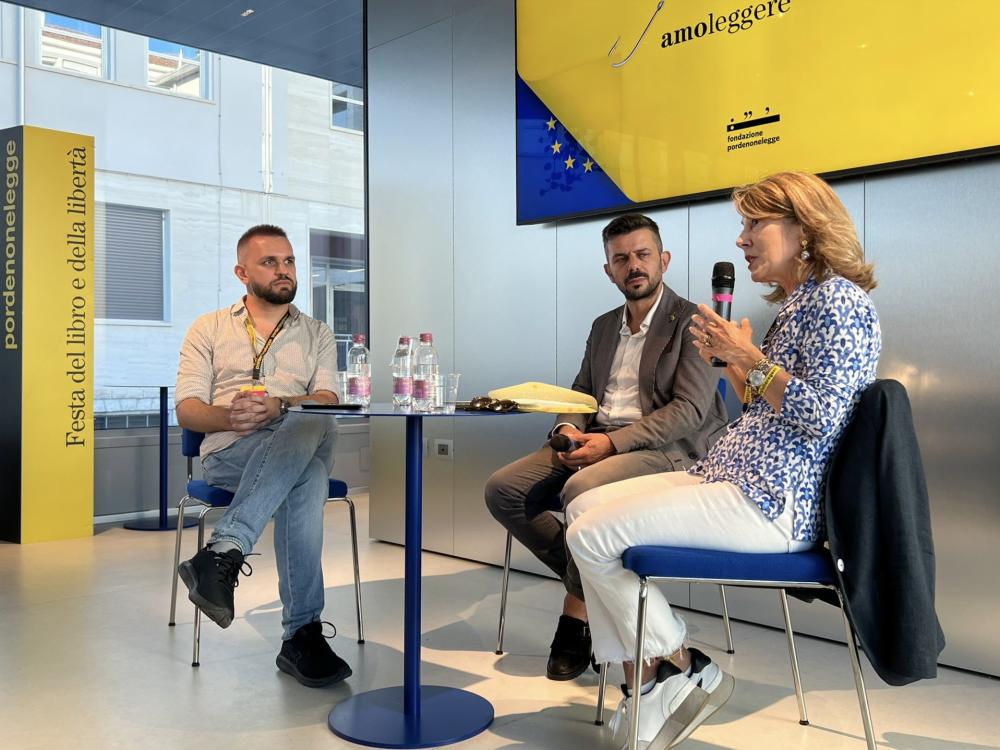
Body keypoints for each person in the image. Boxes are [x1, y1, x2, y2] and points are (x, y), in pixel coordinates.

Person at [565, 171, 881, 748]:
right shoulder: (799, 303)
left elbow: (822, 418)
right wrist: (735, 364)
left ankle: (678, 666)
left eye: (755, 224)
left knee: (591, 536)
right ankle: (656, 680)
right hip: (731, 477)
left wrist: (750, 358)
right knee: (582, 507)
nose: (742, 239)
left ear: (804, 228)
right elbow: (764, 409)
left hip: (771, 502)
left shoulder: (839, 301)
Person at [485, 213, 728, 681]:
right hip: (595, 438)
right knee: (504, 489)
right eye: (621, 259)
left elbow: (690, 411)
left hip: (664, 448)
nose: (633, 265)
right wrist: (567, 430)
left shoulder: (694, 322)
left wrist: (610, 444)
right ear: (608, 270)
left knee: (583, 489)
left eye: (642, 255)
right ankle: (603, 582)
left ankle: (575, 616)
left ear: (664, 260)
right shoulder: (602, 327)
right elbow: (581, 393)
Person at [174, 224, 350, 688]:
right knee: (308, 478)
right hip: (232, 451)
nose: (283, 270)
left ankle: (223, 550)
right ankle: (302, 636)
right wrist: (232, 417)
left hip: (301, 436)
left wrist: (280, 406)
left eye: (288, 261)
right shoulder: (209, 327)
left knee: (310, 416)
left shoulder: (317, 332)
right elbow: (187, 410)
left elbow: (329, 398)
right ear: (242, 272)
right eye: (269, 262)